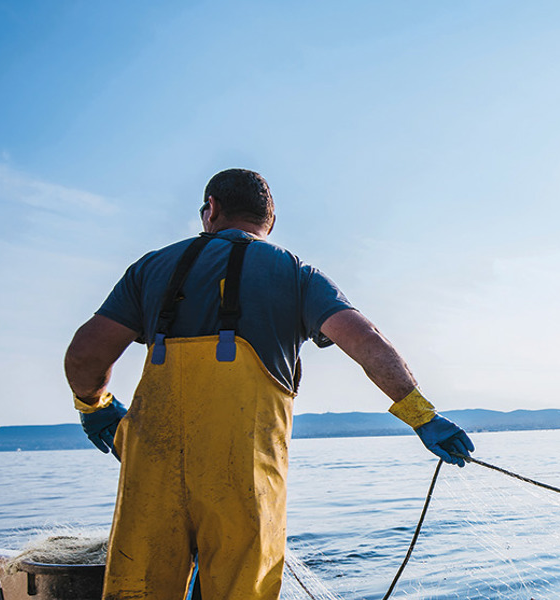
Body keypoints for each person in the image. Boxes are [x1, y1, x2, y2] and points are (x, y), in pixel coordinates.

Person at [63, 168, 473, 600]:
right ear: (268, 220)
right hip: (242, 476)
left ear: (212, 210)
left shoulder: (151, 268)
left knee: (136, 589)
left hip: (151, 467)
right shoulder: (296, 273)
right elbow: (364, 339)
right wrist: (421, 415)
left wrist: (96, 406)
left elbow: (85, 355)